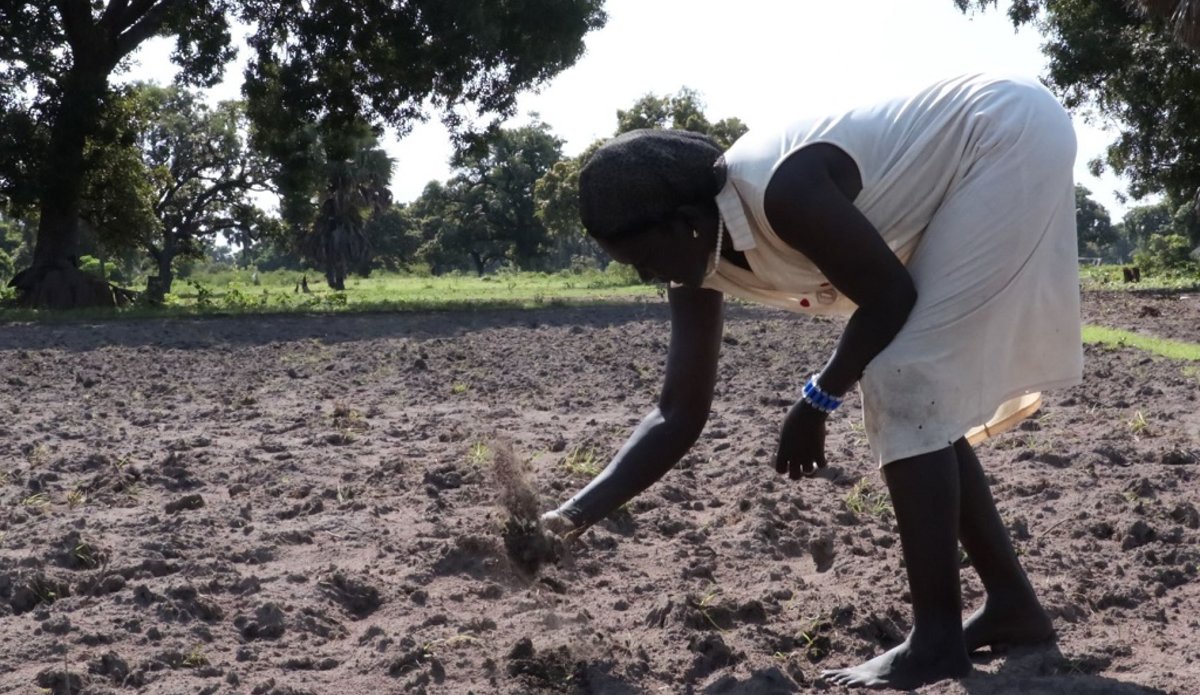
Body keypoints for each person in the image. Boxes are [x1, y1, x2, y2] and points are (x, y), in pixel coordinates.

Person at [539, 73, 1083, 690]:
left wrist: (817, 399)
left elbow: (888, 296)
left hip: (1003, 131)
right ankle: (1011, 605)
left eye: (642, 259)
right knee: (917, 389)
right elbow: (677, 415)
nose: (644, 276)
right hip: (971, 164)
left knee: (903, 378)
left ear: (686, 224)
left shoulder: (781, 191)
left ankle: (936, 642)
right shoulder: (697, 264)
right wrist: (568, 517)